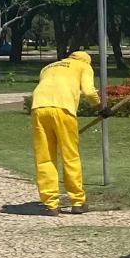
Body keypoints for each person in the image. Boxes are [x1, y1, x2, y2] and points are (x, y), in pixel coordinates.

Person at [29, 51, 104, 216]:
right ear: (87, 61)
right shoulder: (83, 66)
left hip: (38, 108)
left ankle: (50, 205)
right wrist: (100, 108)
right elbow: (89, 91)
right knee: (70, 156)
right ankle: (77, 202)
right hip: (63, 109)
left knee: (44, 157)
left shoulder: (48, 67)